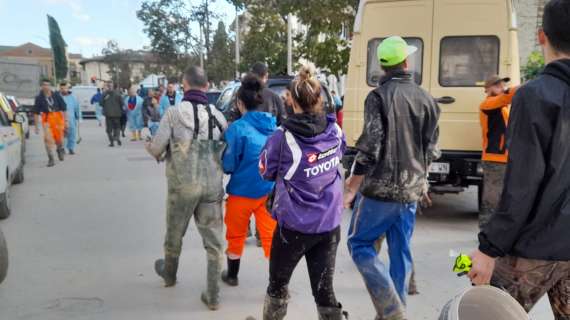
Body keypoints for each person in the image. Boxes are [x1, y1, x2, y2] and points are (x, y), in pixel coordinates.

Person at [468, 1, 570, 318]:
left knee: (481, 308)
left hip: (532, 250)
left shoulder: (535, 95)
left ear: (541, 36)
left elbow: (522, 187)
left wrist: (488, 249)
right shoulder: (509, 99)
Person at [344, 36, 440, 320]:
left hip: (380, 192)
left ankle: (390, 309)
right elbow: (432, 150)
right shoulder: (427, 99)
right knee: (401, 252)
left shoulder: (377, 97)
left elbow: (370, 147)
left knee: (359, 244)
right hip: (411, 192)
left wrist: (351, 185)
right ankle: (396, 310)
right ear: (406, 62)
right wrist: (422, 183)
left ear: (383, 67)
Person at [260, 64, 348, 320]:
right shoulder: (335, 131)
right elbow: (338, 157)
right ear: (319, 100)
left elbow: (265, 171)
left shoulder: (282, 137)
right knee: (324, 291)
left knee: (277, 286)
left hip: (293, 228)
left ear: (291, 102)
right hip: (329, 226)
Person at [145, 66, 228, 311]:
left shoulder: (173, 113)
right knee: (214, 242)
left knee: (174, 233)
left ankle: (169, 274)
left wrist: (150, 147)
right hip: (212, 186)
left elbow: (157, 148)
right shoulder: (218, 116)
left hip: (182, 187)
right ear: (206, 86)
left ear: (184, 84)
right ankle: (213, 295)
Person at [220, 74, 277, 287]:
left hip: (241, 192)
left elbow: (228, 164)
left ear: (240, 103)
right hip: (267, 191)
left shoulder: (237, 128)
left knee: (235, 235)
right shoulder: (273, 127)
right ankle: (277, 284)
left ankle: (232, 276)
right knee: (271, 237)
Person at [478, 75, 518, 229]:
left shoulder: (501, 107)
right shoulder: (487, 104)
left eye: (502, 85)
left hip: (503, 157)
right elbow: (507, 97)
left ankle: (493, 231)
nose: (501, 87)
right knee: (492, 198)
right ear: (487, 89)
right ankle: (486, 231)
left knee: (500, 197)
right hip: (494, 158)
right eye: (497, 85)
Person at [33, 79, 67, 167]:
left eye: (48, 85)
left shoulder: (56, 95)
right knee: (47, 139)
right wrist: (36, 126)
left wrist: (66, 121)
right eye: (44, 85)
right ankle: (51, 158)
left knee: (59, 138)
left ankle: (60, 149)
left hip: (58, 118)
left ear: (50, 86)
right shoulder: (39, 98)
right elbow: (36, 112)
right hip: (47, 119)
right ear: (42, 86)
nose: (46, 87)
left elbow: (64, 108)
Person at [59, 82, 81, 155]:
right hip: (60, 119)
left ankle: (71, 148)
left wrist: (79, 117)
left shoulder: (73, 97)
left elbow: (77, 108)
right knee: (62, 135)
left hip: (71, 119)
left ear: (67, 88)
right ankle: (62, 148)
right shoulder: (58, 97)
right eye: (61, 89)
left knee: (72, 134)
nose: (63, 90)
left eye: (64, 88)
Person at [101, 82, 125, 147]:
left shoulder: (104, 94)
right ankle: (117, 138)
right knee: (117, 127)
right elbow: (122, 103)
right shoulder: (118, 93)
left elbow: (101, 104)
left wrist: (105, 99)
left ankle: (112, 142)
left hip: (108, 115)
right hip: (117, 114)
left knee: (109, 129)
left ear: (108, 87)